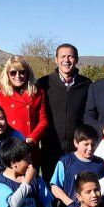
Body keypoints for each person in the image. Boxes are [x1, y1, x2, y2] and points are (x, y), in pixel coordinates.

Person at [36, 43, 92, 180]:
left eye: (70, 56)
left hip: (77, 149)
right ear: (56, 59)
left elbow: (89, 114)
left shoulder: (86, 84)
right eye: (62, 56)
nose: (66, 60)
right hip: (50, 149)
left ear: (76, 60)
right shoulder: (44, 83)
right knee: (51, 188)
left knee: (76, 187)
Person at [0, 56, 49, 165]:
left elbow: (43, 121)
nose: (18, 76)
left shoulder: (37, 93)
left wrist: (32, 138)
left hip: (29, 146)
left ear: (28, 73)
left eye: (22, 72)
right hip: (5, 147)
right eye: (13, 73)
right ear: (7, 74)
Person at [50, 124, 104, 206]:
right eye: (86, 144)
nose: (90, 148)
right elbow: (55, 187)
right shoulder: (66, 161)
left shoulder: (100, 164)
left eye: (93, 144)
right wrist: (71, 204)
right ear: (76, 143)